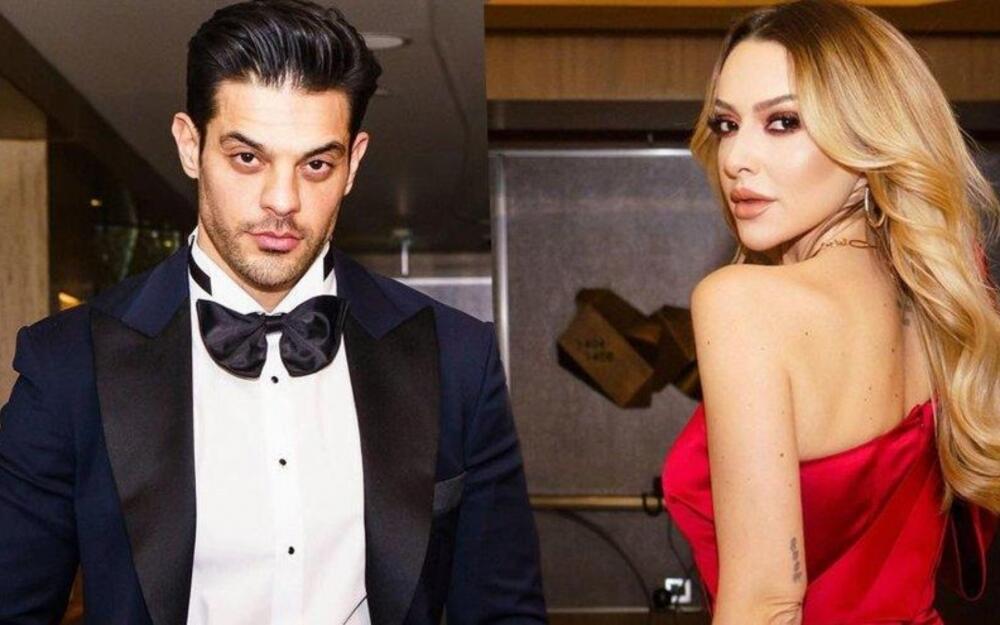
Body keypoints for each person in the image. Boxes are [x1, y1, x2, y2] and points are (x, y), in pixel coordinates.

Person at [0, 1, 546, 623]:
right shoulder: (68, 365)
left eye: (316, 164)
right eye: (248, 158)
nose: (282, 201)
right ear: (189, 145)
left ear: (353, 163)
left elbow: (505, 611)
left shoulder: (459, 359)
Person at [661, 1, 998, 623]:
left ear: (869, 141)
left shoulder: (743, 303)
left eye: (783, 122)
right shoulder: (937, 301)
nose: (735, 158)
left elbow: (766, 603)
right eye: (727, 124)